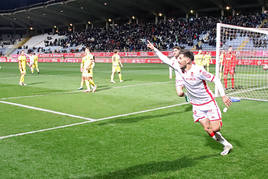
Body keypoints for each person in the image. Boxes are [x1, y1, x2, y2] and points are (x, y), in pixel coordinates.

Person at [147, 41, 233, 156]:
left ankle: (222, 137)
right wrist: (154, 49)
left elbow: (216, 79)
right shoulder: (178, 67)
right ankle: (226, 144)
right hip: (196, 105)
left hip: (209, 102)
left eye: (180, 58)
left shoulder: (199, 71)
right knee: (207, 129)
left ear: (187, 60)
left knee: (215, 128)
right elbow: (165, 60)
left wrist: (223, 95)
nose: (178, 60)